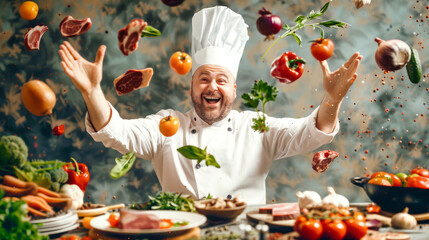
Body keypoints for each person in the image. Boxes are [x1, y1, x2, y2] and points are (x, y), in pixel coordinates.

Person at [58, 6, 362, 204]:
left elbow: (312, 132)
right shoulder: (167, 126)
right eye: (203, 78)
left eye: (221, 79)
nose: (212, 86)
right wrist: (92, 91)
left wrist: (332, 98)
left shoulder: (256, 127)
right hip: (183, 235)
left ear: (233, 88)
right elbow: (116, 132)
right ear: (191, 86)